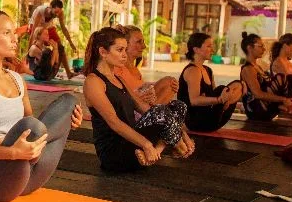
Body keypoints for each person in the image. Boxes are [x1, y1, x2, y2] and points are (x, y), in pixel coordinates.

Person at [0, 9, 82, 202]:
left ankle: (27, 156)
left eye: (14, 33)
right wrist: (13, 151)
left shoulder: (17, 79)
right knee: (31, 126)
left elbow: (34, 130)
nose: (15, 38)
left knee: (69, 103)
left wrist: (66, 123)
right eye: (7, 33)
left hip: (25, 176)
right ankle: (23, 155)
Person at [83, 27, 193, 171]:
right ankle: (176, 147)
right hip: (115, 152)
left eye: (125, 49)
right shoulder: (93, 81)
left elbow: (145, 109)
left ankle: (155, 153)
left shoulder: (119, 79)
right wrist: (146, 145)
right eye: (120, 50)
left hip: (135, 146)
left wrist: (180, 130)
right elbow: (114, 122)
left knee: (178, 106)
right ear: (103, 52)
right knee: (161, 111)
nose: (124, 55)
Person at [177, 33, 243, 132]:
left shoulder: (208, 70)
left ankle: (227, 102)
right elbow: (194, 101)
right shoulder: (193, 71)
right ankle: (225, 101)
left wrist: (225, 99)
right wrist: (219, 100)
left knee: (239, 85)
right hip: (195, 121)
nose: (212, 50)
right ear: (196, 49)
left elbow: (212, 94)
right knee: (223, 89)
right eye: (208, 46)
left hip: (210, 119)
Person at [115, 25, 178, 106]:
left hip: (143, 107)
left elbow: (138, 86)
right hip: (132, 110)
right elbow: (116, 98)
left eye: (143, 42)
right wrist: (137, 97)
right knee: (169, 83)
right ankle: (154, 112)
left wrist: (166, 84)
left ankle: (155, 111)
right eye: (139, 42)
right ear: (124, 44)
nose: (144, 46)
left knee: (170, 82)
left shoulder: (134, 69)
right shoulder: (117, 68)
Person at [239, 32, 292, 122]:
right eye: (260, 46)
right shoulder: (248, 69)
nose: (264, 49)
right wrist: (283, 99)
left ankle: (279, 105)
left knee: (290, 79)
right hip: (257, 110)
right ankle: (279, 105)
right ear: (249, 48)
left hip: (265, 108)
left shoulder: (258, 67)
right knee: (281, 78)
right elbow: (257, 94)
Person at [29, 0, 77, 78]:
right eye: (56, 12)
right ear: (51, 7)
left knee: (60, 46)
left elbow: (64, 29)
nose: (57, 15)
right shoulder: (40, 12)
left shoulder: (60, 13)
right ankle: (36, 69)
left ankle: (68, 73)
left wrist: (71, 43)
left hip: (48, 27)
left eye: (59, 12)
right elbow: (33, 32)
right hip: (36, 28)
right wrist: (29, 52)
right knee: (39, 48)